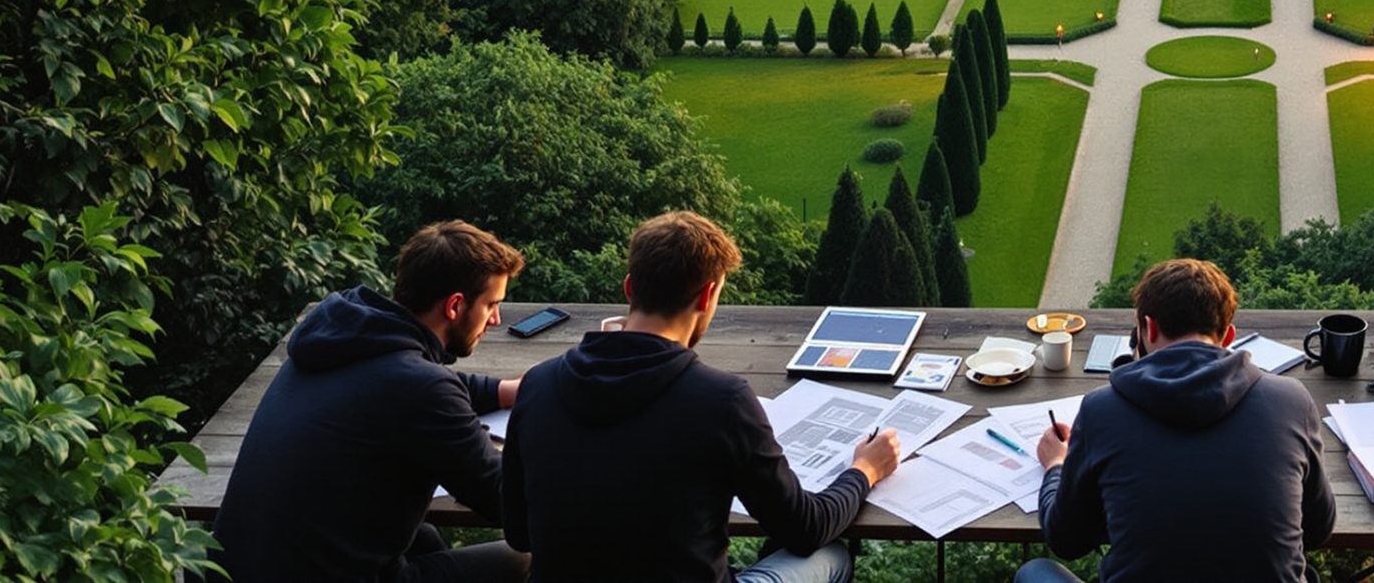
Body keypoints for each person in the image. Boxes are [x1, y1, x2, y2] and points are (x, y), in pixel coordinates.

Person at [504, 210, 899, 583]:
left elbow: (520, 534)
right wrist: (864, 470)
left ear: (629, 287)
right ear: (707, 295)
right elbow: (807, 528)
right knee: (833, 557)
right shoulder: (720, 401)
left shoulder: (539, 384)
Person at [213, 220, 531, 583]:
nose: (496, 319)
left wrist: (503, 390)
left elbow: (410, 380)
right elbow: (507, 502)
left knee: (422, 537)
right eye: (491, 304)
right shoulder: (421, 388)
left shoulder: (338, 338)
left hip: (235, 568)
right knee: (521, 558)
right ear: (455, 306)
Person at [1024, 258, 1335, 583]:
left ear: (1149, 328)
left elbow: (1066, 539)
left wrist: (1055, 467)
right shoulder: (1291, 399)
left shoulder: (1102, 409)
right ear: (1228, 335)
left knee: (1034, 572)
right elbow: (1317, 530)